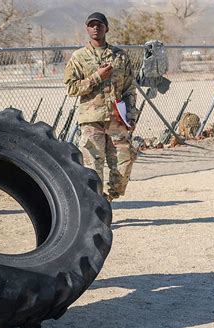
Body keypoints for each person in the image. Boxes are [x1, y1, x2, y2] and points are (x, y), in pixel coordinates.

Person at [64, 12, 138, 202]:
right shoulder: (79, 57)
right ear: (87, 29)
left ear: (107, 28)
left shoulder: (120, 56)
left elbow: (129, 87)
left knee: (124, 163)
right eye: (91, 25)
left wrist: (131, 114)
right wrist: (97, 77)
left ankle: (108, 199)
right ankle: (96, 206)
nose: (95, 28)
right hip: (91, 121)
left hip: (117, 119)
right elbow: (71, 88)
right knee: (92, 169)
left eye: (99, 24)